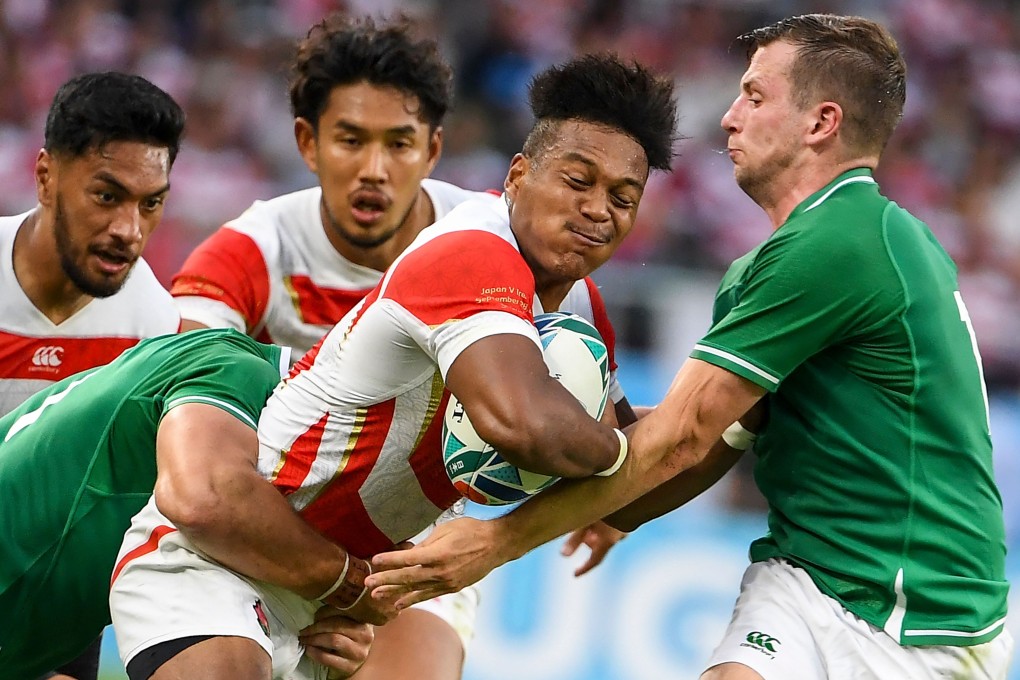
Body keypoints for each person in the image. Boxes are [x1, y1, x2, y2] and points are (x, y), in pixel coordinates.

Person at [365, 14, 1014, 680]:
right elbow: (703, 446)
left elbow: (679, 438)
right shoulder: (766, 268)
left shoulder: (845, 241)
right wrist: (616, 505)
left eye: (756, 96)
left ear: (821, 123)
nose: (729, 118)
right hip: (804, 574)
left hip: (920, 613)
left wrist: (496, 542)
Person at [107, 52, 679, 680]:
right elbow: (529, 425)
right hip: (231, 550)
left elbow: (629, 450)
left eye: (623, 198)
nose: (599, 210)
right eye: (577, 181)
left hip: (362, 584)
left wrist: (736, 415)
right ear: (517, 176)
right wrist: (628, 461)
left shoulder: (578, 303)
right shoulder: (465, 251)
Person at [0, 329, 375, 680]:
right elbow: (202, 503)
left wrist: (322, 629)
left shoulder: (229, 373)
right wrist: (348, 585)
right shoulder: (235, 372)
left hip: (46, 627)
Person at [0, 71, 184, 680]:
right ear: (47, 176)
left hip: (57, 605)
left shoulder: (150, 323)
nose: (129, 230)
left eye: (150, 203)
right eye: (107, 196)